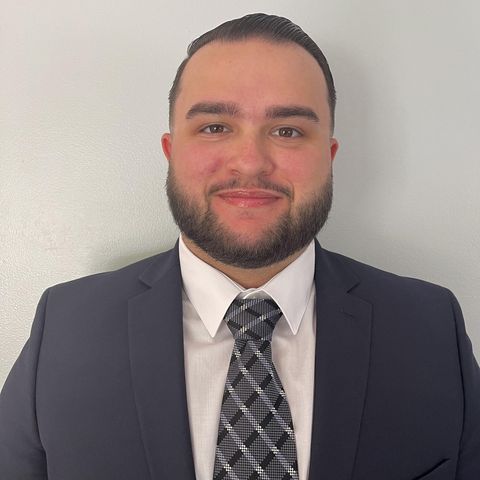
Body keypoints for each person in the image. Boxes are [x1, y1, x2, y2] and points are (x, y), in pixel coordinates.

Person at [0, 12, 479, 480]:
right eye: (215, 127)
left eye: (288, 131)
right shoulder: (65, 327)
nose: (250, 163)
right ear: (171, 151)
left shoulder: (430, 329)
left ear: (329, 156)